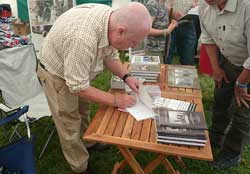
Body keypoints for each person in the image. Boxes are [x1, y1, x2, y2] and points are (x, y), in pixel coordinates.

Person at [37, 2, 151, 174]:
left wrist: (127, 77)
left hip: (77, 67)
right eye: (134, 42)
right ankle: (79, 166)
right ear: (121, 30)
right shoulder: (82, 38)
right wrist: (115, 100)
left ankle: (88, 142)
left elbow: (110, 54)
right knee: (69, 121)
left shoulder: (111, 20)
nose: (133, 47)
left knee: (83, 109)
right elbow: (78, 87)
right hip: (56, 74)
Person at [199, 0, 250, 169]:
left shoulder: (247, 6)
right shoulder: (205, 5)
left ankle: (232, 153)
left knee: (243, 111)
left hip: (248, 66)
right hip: (228, 61)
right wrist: (216, 68)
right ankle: (215, 138)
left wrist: (241, 83)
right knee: (220, 99)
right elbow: (207, 37)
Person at [166, 0, 198, 65]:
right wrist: (169, 10)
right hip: (169, 24)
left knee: (188, 58)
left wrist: (196, 5)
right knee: (167, 57)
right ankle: (164, 74)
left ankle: (188, 74)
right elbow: (157, 3)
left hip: (187, 23)